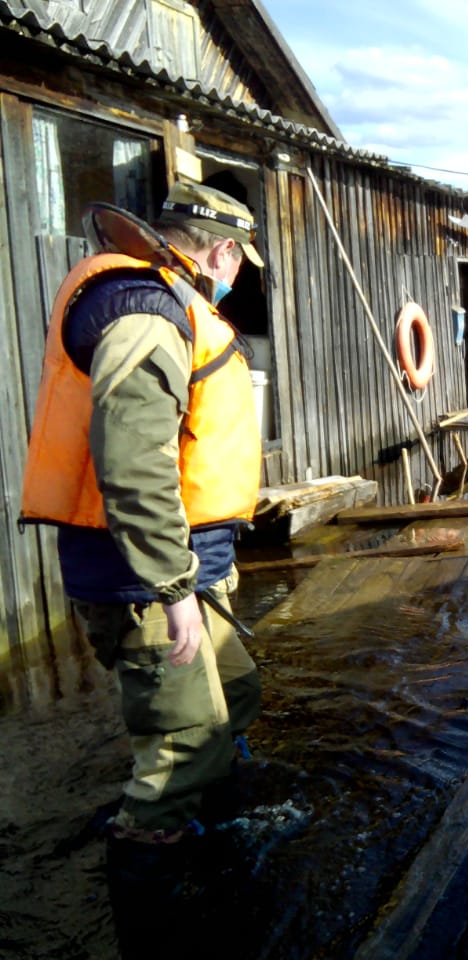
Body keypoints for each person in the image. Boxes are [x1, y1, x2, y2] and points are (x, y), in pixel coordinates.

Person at [20, 181, 264, 849]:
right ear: (222, 255)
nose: (236, 277)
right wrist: (172, 584)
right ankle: (149, 881)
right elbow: (131, 461)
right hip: (145, 582)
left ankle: (217, 828)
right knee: (185, 750)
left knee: (236, 699)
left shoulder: (170, 307)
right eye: (239, 263)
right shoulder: (146, 314)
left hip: (187, 569)